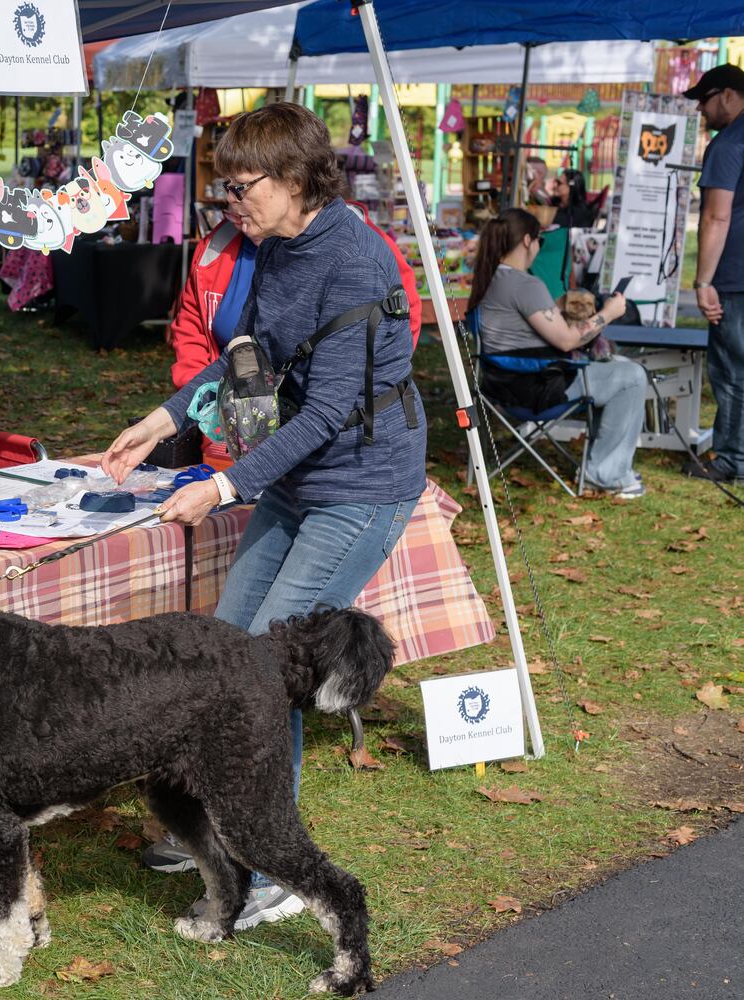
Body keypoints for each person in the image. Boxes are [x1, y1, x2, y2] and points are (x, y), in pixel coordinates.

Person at [102, 102, 425, 932]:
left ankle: (273, 865)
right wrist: (164, 420)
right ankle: (222, 825)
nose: (229, 203)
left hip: (361, 487)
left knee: (264, 671)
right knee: (229, 650)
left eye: (241, 187)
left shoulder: (354, 264)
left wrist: (223, 487)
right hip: (295, 480)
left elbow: (325, 414)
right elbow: (242, 359)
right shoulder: (275, 243)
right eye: (225, 188)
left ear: (292, 179)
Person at [168, 203, 424, 468]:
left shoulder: (359, 251)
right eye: (229, 201)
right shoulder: (227, 245)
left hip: (330, 440)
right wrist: (209, 402)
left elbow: (397, 327)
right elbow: (198, 329)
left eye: (242, 189)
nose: (235, 205)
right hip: (235, 420)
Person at [469, 208, 645, 497]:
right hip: (539, 388)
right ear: (528, 241)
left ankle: (609, 466)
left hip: (500, 384)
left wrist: (559, 308)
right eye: (540, 241)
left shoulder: (488, 279)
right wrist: (608, 314)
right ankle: (605, 474)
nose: (539, 248)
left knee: (618, 366)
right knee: (632, 376)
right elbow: (567, 341)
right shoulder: (525, 284)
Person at [683, 63, 744, 484]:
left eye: (703, 100)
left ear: (727, 95)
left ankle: (733, 460)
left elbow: (716, 217)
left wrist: (704, 282)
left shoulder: (727, 145)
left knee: (734, 369)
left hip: (735, 277)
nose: (700, 110)